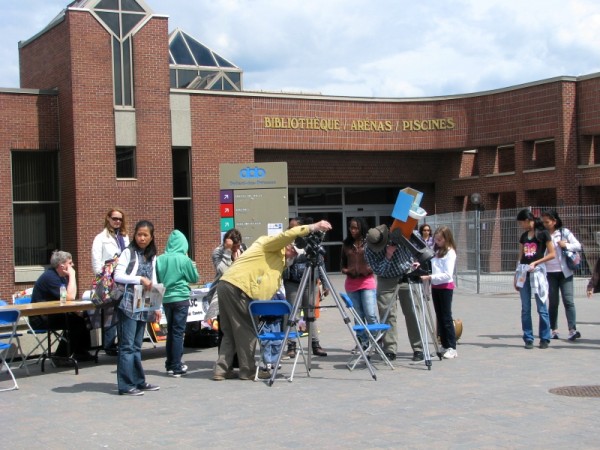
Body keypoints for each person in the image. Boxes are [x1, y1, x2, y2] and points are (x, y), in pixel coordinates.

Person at [212, 219, 332, 381]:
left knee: (230, 333)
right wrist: (313, 227)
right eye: (294, 252)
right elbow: (288, 234)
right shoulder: (270, 245)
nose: (294, 257)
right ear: (288, 246)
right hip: (238, 288)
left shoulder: (279, 262)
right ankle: (247, 370)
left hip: (228, 285)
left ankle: (222, 369)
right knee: (246, 331)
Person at [364, 224, 424, 361]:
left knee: (412, 312)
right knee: (387, 314)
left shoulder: (398, 235)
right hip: (386, 280)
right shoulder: (369, 249)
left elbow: (418, 241)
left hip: (406, 273)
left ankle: (418, 348)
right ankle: (390, 349)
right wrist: (388, 255)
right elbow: (379, 270)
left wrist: (417, 260)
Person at [114, 220, 160, 396]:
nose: (141, 238)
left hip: (145, 302)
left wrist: (157, 306)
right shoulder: (128, 252)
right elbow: (119, 276)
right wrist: (139, 279)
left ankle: (139, 381)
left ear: (151, 237)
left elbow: (153, 278)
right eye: (139, 234)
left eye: (145, 235)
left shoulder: (152, 255)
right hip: (129, 302)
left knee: (136, 345)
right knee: (127, 345)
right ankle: (125, 385)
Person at [31, 250, 93, 361]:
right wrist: (73, 275)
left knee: (83, 317)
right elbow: (70, 297)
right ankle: (60, 357)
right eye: (70, 263)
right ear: (62, 265)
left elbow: (68, 299)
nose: (72, 265)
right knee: (76, 323)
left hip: (54, 313)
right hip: (41, 317)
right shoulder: (50, 277)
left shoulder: (61, 277)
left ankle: (80, 351)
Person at [283, 217, 327, 359]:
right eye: (290, 227)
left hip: (309, 282)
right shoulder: (286, 242)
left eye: (294, 227)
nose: (291, 230)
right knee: (292, 316)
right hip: (292, 283)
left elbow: (320, 262)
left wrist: (325, 284)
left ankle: (315, 344)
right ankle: (291, 345)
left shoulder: (310, 242)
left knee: (311, 315)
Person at [157, 230, 199, 377]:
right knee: (178, 332)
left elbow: (157, 278)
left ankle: (169, 364)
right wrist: (191, 262)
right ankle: (176, 365)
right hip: (181, 298)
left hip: (166, 298)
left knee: (170, 331)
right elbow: (194, 278)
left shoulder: (160, 259)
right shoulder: (184, 259)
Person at [513, 209, 555, 350]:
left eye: (521, 222)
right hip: (524, 272)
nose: (521, 225)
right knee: (525, 308)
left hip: (537, 272)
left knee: (541, 306)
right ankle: (528, 337)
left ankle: (544, 337)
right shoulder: (524, 236)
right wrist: (516, 275)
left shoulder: (543, 234)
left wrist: (537, 262)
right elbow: (520, 257)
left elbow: (552, 254)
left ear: (527, 220)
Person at [91, 207, 129, 355]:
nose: (117, 221)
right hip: (108, 279)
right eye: (115, 218)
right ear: (108, 218)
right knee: (109, 312)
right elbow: (96, 262)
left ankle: (122, 342)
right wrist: (102, 280)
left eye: (120, 219)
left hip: (122, 278)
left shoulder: (124, 237)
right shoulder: (100, 238)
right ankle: (109, 345)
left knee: (122, 310)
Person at [541, 209, 582, 341]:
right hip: (549, 273)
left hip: (565, 272)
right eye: (543, 222)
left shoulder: (564, 232)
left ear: (554, 221)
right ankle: (554, 330)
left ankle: (572, 330)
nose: (545, 224)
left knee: (569, 301)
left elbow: (578, 246)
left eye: (547, 221)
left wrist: (566, 245)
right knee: (553, 302)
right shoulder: (542, 235)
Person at [420, 226, 458, 359]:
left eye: (440, 239)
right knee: (439, 317)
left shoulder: (450, 252)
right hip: (436, 287)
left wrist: (430, 277)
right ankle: (444, 344)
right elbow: (431, 265)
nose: (437, 242)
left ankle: (452, 347)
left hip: (445, 287)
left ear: (446, 239)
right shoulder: (436, 251)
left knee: (446, 317)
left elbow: (448, 275)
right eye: (435, 239)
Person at [341, 217, 378, 350]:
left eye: (356, 227)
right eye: (351, 227)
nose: (353, 230)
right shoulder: (346, 244)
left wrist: (368, 269)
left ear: (362, 228)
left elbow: (376, 261)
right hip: (351, 283)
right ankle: (362, 342)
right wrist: (347, 270)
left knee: (370, 313)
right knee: (358, 315)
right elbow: (342, 264)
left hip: (367, 281)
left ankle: (376, 340)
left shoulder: (369, 243)